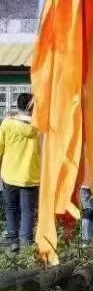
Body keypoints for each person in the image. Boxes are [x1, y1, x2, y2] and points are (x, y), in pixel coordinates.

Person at [0, 92, 40, 252]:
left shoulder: (7, 124)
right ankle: (26, 243)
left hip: (9, 174)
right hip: (30, 176)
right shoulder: (40, 127)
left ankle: (13, 240)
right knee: (27, 211)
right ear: (32, 107)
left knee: (11, 208)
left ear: (18, 105)